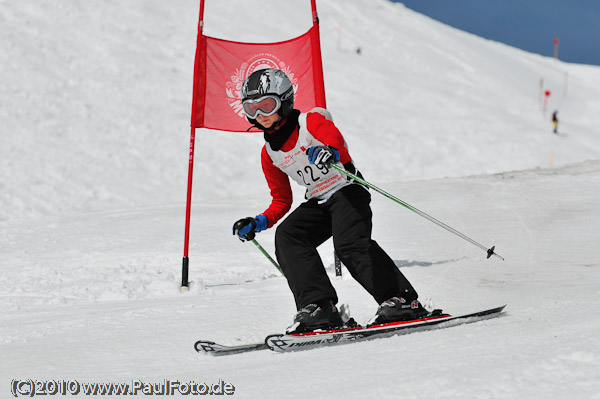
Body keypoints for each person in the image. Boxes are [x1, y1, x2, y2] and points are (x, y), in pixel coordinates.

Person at [232, 68, 429, 333]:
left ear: (285, 100)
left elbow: (336, 142)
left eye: (266, 106)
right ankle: (320, 307)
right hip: (319, 201)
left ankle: (403, 301)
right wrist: (258, 222)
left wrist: (329, 151)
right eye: (252, 108)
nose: (260, 116)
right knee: (289, 235)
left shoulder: (310, 121)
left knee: (349, 244)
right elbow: (281, 200)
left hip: (347, 189)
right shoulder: (269, 154)